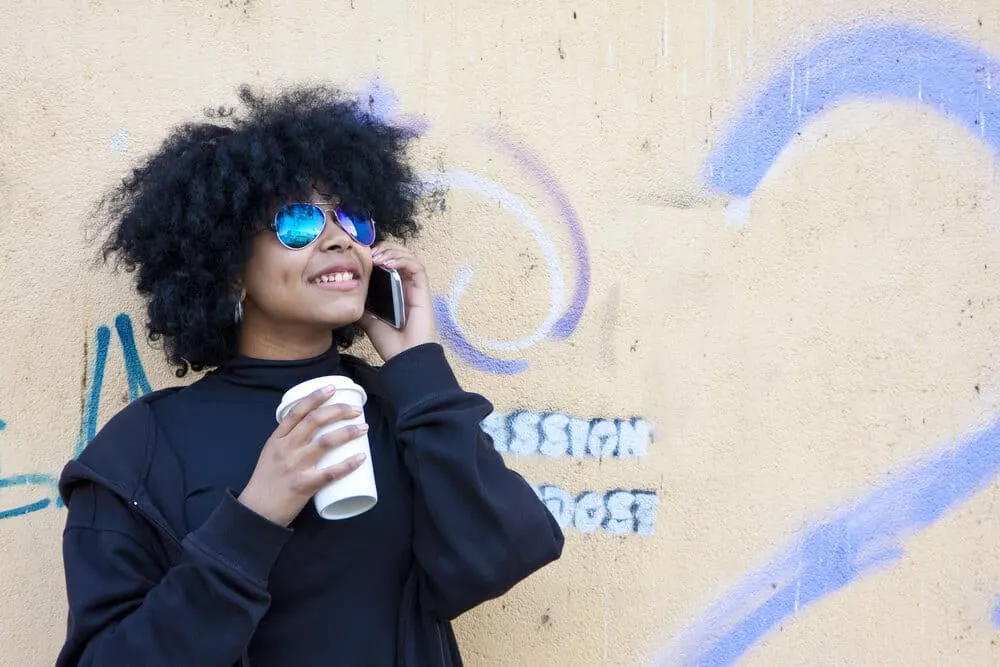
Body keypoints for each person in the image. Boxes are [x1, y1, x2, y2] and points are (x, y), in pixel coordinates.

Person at [56, 84, 564, 667]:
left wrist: (418, 366)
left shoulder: (403, 406)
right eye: (297, 221)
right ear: (228, 269)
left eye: (352, 217)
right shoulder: (141, 449)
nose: (337, 237)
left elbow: (504, 553)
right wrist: (254, 517)